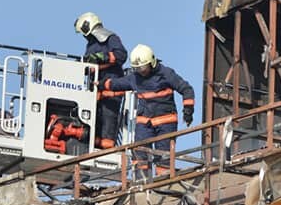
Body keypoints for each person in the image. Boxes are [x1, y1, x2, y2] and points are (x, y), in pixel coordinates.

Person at [100, 44, 196, 174]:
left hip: (165, 122)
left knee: (163, 155)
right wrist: (101, 84)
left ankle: (163, 182)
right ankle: (141, 182)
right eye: (137, 68)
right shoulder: (135, 78)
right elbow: (118, 83)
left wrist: (188, 110)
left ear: (152, 62)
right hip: (144, 122)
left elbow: (186, 89)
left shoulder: (166, 74)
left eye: (143, 67)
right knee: (139, 151)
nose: (141, 71)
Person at [74, 12, 129, 149]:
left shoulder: (111, 38)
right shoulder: (90, 45)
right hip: (96, 93)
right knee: (94, 129)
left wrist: (101, 57)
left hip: (111, 93)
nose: (84, 36)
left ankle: (106, 153)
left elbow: (121, 55)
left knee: (107, 130)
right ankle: (93, 151)